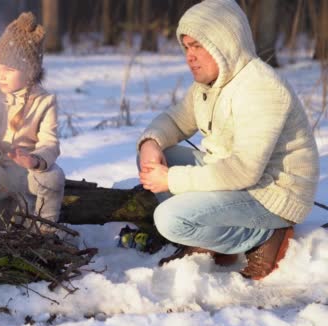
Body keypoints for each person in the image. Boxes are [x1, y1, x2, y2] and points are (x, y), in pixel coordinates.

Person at [137, 0, 319, 279]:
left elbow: (243, 170)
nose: (189, 56)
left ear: (225, 45)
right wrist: (151, 144)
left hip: (271, 195)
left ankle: (264, 236)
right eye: (186, 47)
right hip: (235, 179)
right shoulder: (209, 85)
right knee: (160, 157)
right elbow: (174, 120)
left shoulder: (260, 88)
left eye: (198, 46)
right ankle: (212, 238)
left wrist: (171, 180)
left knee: (169, 219)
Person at [0, 12, 65, 236]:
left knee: (54, 175)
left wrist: (34, 160)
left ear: (30, 72)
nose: (1, 75)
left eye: (9, 70)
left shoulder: (44, 101)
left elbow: (50, 142)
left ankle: (45, 233)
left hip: (28, 176)